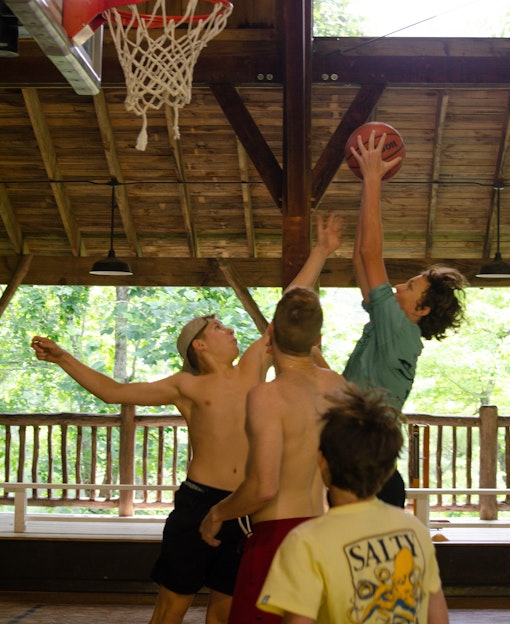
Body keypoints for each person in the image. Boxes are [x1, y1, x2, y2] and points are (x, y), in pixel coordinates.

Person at [30, 213, 344, 624]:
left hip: (244, 506)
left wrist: (320, 250)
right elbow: (114, 392)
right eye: (218, 327)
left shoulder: (253, 368)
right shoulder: (186, 387)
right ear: (199, 344)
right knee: (173, 604)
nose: (230, 330)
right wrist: (64, 358)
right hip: (198, 504)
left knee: (225, 608)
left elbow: (288, 308)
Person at [199, 285, 349, 624]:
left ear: (270, 336)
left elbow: (264, 487)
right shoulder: (339, 386)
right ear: (317, 337)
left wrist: (218, 513)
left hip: (279, 540)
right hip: (325, 533)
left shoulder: (268, 396)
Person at [343, 128, 467, 506]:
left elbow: (369, 255)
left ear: (421, 310)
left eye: (410, 287)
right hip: (365, 472)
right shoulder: (392, 326)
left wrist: (373, 179)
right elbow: (359, 260)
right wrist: (368, 184)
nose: (398, 287)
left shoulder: (399, 329)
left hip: (370, 479)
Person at [257, 384, 449, 624]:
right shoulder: (415, 530)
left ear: (321, 461)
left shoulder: (305, 542)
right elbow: (438, 617)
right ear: (389, 471)